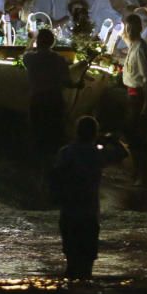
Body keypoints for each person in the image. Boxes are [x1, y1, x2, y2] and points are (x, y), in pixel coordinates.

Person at [49, 116, 110, 280]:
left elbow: (56, 175)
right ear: (94, 133)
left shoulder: (66, 152)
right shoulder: (97, 154)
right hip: (89, 212)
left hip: (69, 209)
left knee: (71, 258)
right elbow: (121, 153)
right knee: (87, 262)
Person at [23, 28, 82, 154]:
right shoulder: (59, 60)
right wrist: (77, 85)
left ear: (38, 42)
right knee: (54, 135)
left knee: (37, 133)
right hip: (54, 100)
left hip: (37, 100)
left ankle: (37, 162)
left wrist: (31, 40)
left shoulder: (30, 58)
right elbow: (67, 82)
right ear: (52, 43)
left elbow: (26, 53)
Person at [121, 13, 147, 186]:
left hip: (138, 96)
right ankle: (136, 170)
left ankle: (142, 173)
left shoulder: (141, 48)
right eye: (127, 27)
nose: (127, 31)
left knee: (138, 136)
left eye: (131, 28)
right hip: (131, 94)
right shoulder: (133, 45)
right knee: (131, 134)